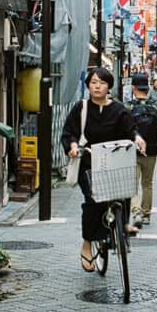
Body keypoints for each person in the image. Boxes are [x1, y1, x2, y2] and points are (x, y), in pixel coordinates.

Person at [61, 67, 142, 271]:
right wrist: (71, 146)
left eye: (102, 83)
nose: (97, 86)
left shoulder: (119, 109)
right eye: (94, 82)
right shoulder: (81, 107)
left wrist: (138, 138)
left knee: (123, 192)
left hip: (113, 162)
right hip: (88, 162)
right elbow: (69, 132)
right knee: (93, 200)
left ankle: (121, 224)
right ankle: (87, 243)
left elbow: (131, 130)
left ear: (109, 87)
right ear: (88, 85)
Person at [124, 72, 157, 230]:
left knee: (132, 184)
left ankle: (136, 212)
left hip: (131, 151)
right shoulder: (156, 108)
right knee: (147, 183)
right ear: (147, 87)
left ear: (133, 87)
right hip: (151, 150)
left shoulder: (127, 107)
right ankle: (146, 214)